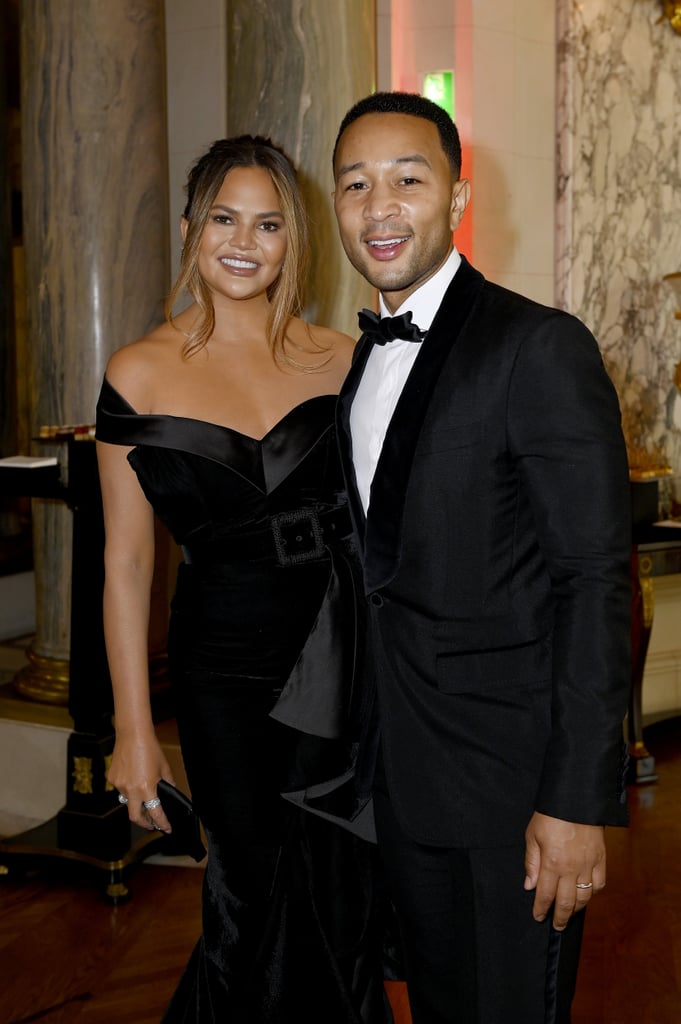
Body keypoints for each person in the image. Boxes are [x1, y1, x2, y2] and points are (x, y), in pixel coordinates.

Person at [331, 91, 631, 1023]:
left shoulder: (535, 346)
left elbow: (593, 581)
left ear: (455, 199)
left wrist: (579, 801)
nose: (379, 207)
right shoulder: (358, 360)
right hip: (398, 783)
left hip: (513, 797)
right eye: (354, 184)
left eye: (406, 180)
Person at [95, 135, 391, 1023]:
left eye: (268, 224)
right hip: (221, 667)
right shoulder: (137, 373)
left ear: (292, 243)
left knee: (338, 893)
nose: (243, 241)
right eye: (224, 217)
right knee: (247, 891)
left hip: (340, 651)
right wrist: (133, 731)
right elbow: (128, 562)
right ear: (190, 228)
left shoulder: (343, 359)